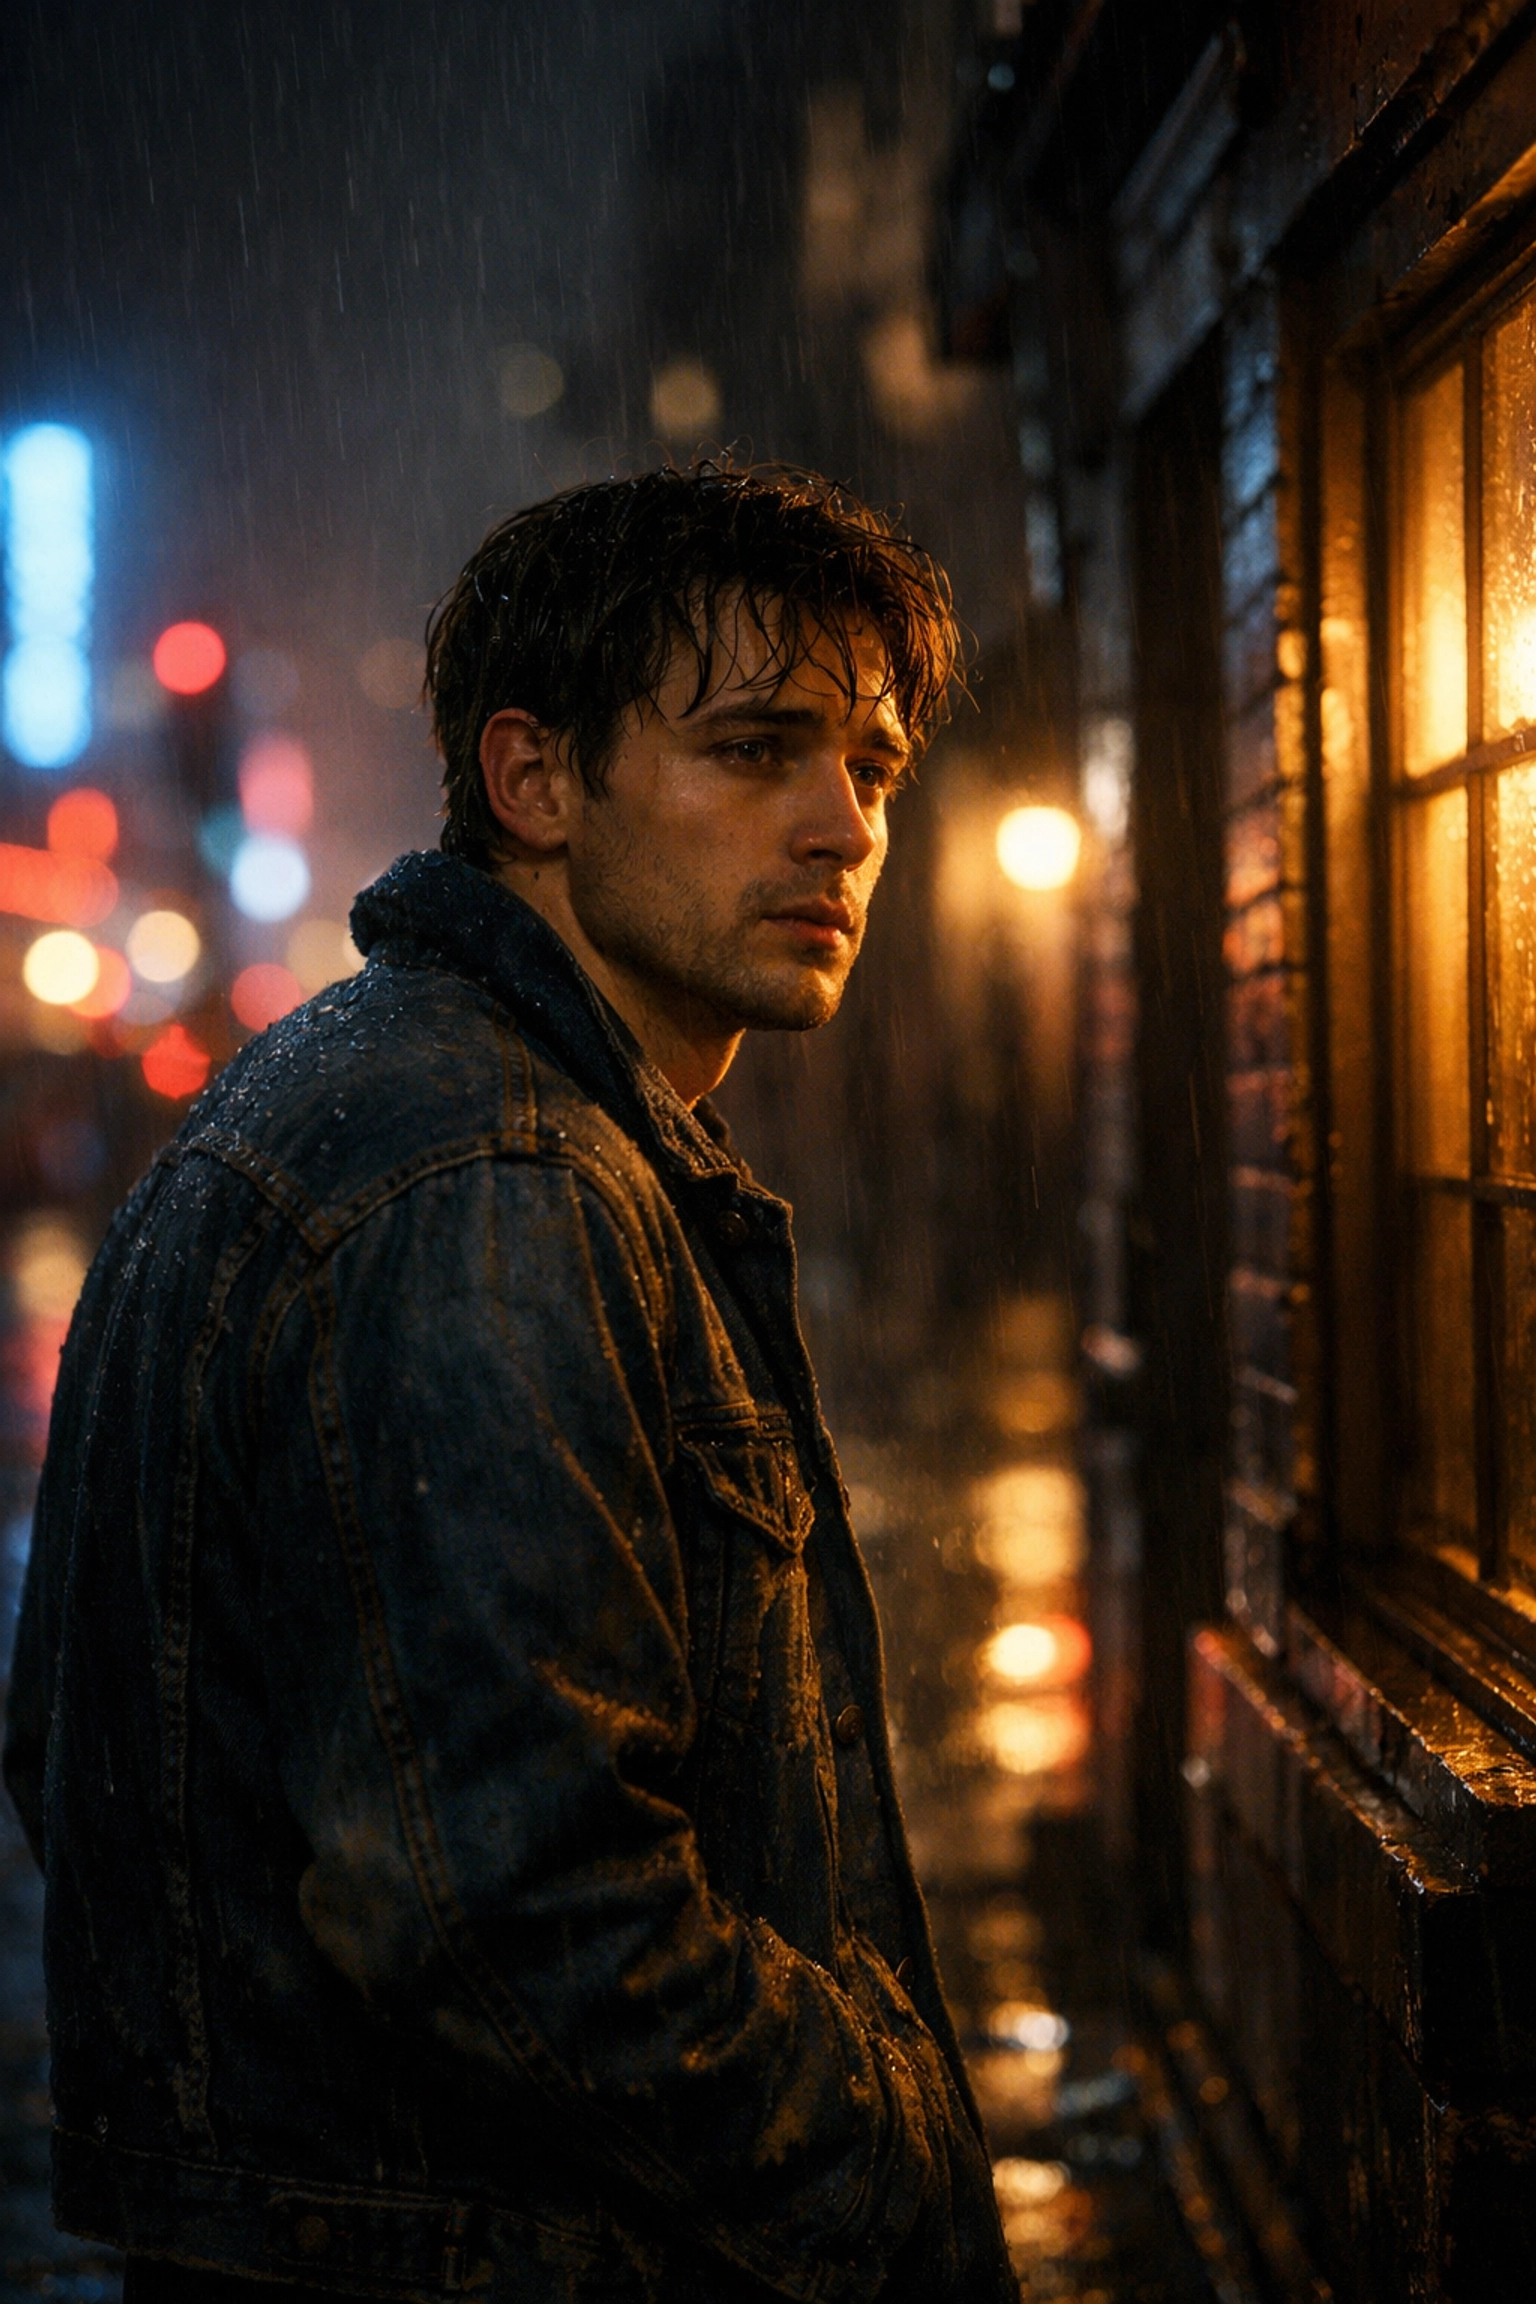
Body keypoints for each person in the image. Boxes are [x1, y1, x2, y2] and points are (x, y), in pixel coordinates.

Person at [4, 465, 1016, 2304]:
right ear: (534, 779)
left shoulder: (369, 1098)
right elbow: (512, 1910)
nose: (844, 828)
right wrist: (891, 2180)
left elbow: (77, 1753)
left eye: (870, 766)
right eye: (755, 750)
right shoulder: (492, 1177)